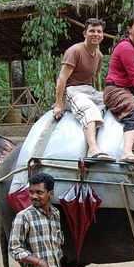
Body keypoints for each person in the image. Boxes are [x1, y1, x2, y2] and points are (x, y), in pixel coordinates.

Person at [52, 18, 115, 162]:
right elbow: (61, 79)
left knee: (113, 97)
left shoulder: (98, 55)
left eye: (99, 31)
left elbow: (91, 79)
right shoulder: (75, 51)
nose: (96, 34)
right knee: (89, 109)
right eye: (92, 31)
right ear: (85, 33)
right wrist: (58, 104)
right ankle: (93, 149)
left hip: (88, 89)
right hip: (72, 90)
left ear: (102, 35)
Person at [103, 15, 134, 164]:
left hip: (129, 89)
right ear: (129, 29)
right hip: (115, 90)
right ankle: (126, 152)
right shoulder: (125, 47)